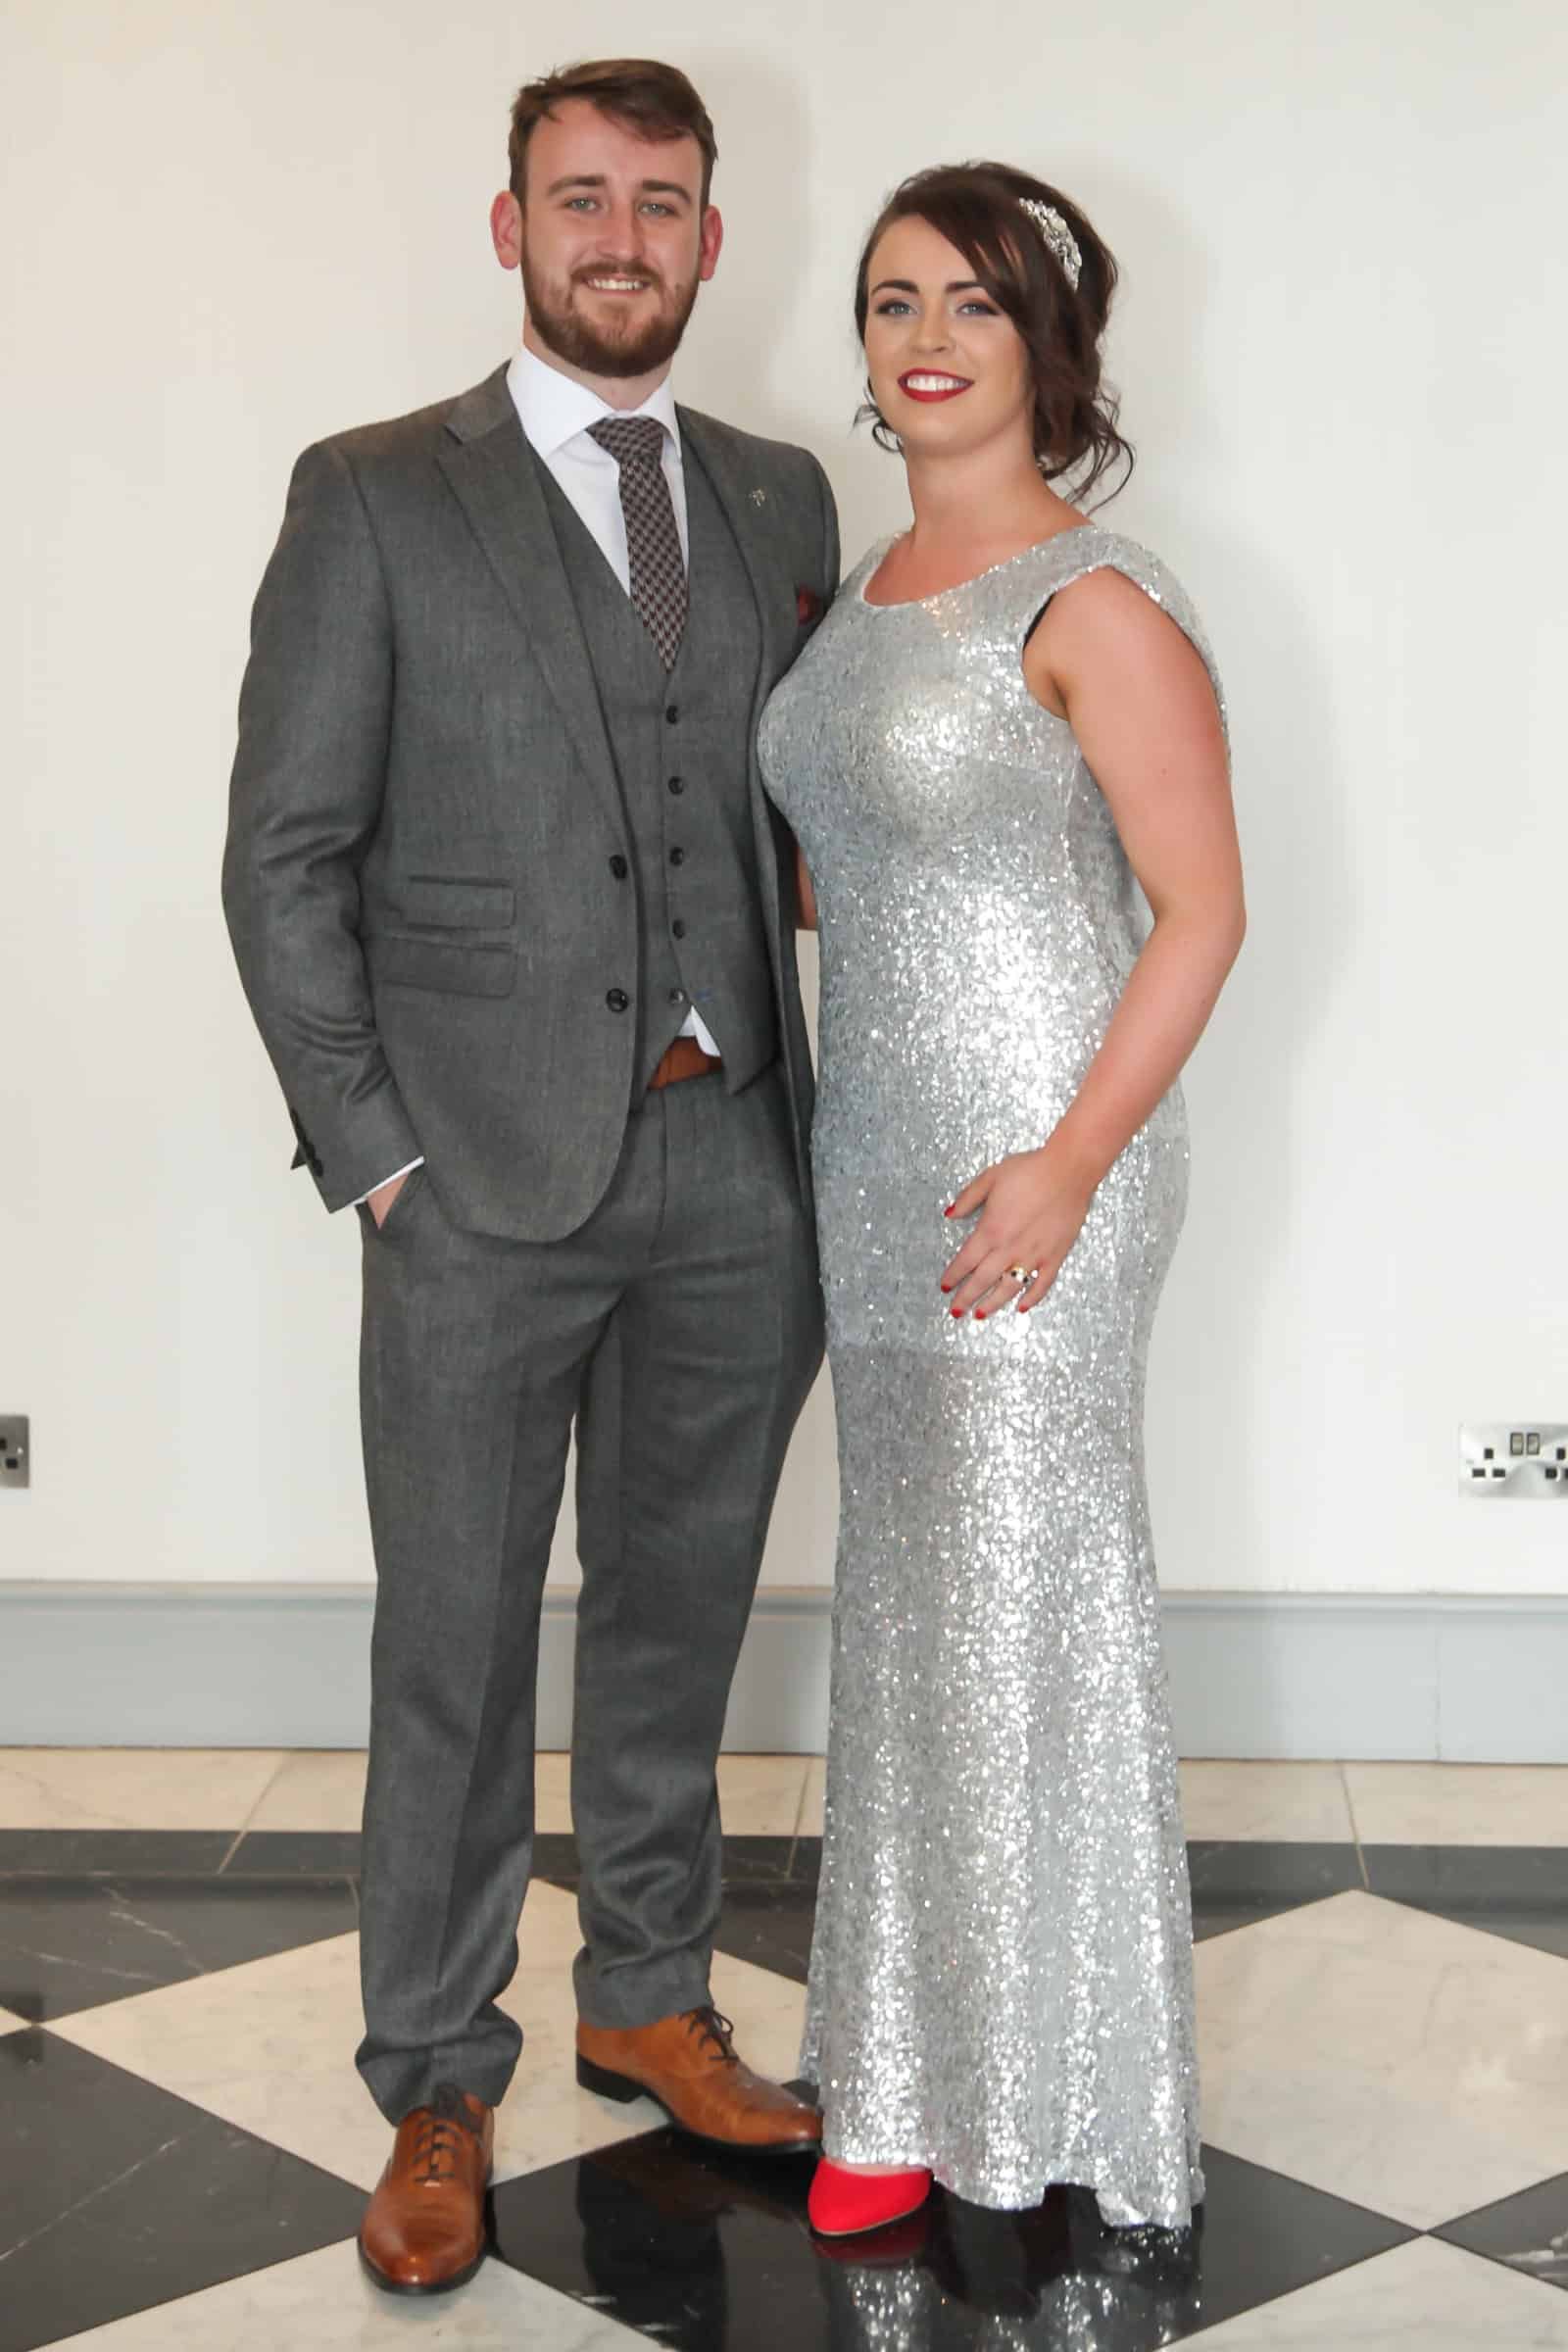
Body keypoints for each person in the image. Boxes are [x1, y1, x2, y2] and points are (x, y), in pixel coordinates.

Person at [222, 58, 840, 2296]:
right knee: (460, 1651)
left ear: (706, 233)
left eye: (658, 201)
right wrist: (375, 1158)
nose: (618, 236)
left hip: (732, 1174)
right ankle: (436, 2073)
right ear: (509, 227)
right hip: (472, 1184)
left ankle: (644, 1995)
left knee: (679, 1624)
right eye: (576, 197)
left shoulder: (779, 499)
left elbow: (793, 836)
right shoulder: (380, 490)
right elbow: (286, 855)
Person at [760, 162, 1244, 2239]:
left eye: (969, 299)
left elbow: (1201, 917)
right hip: (867, 1164)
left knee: (1023, 1619)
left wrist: (1063, 1166)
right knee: (909, 1617)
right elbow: (837, 864)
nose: (922, 334)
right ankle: (886, 2074)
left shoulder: (1092, 600)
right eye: (888, 301)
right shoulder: (858, 586)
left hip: (1044, 1168)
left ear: (1047, 344)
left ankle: (1058, 2098)